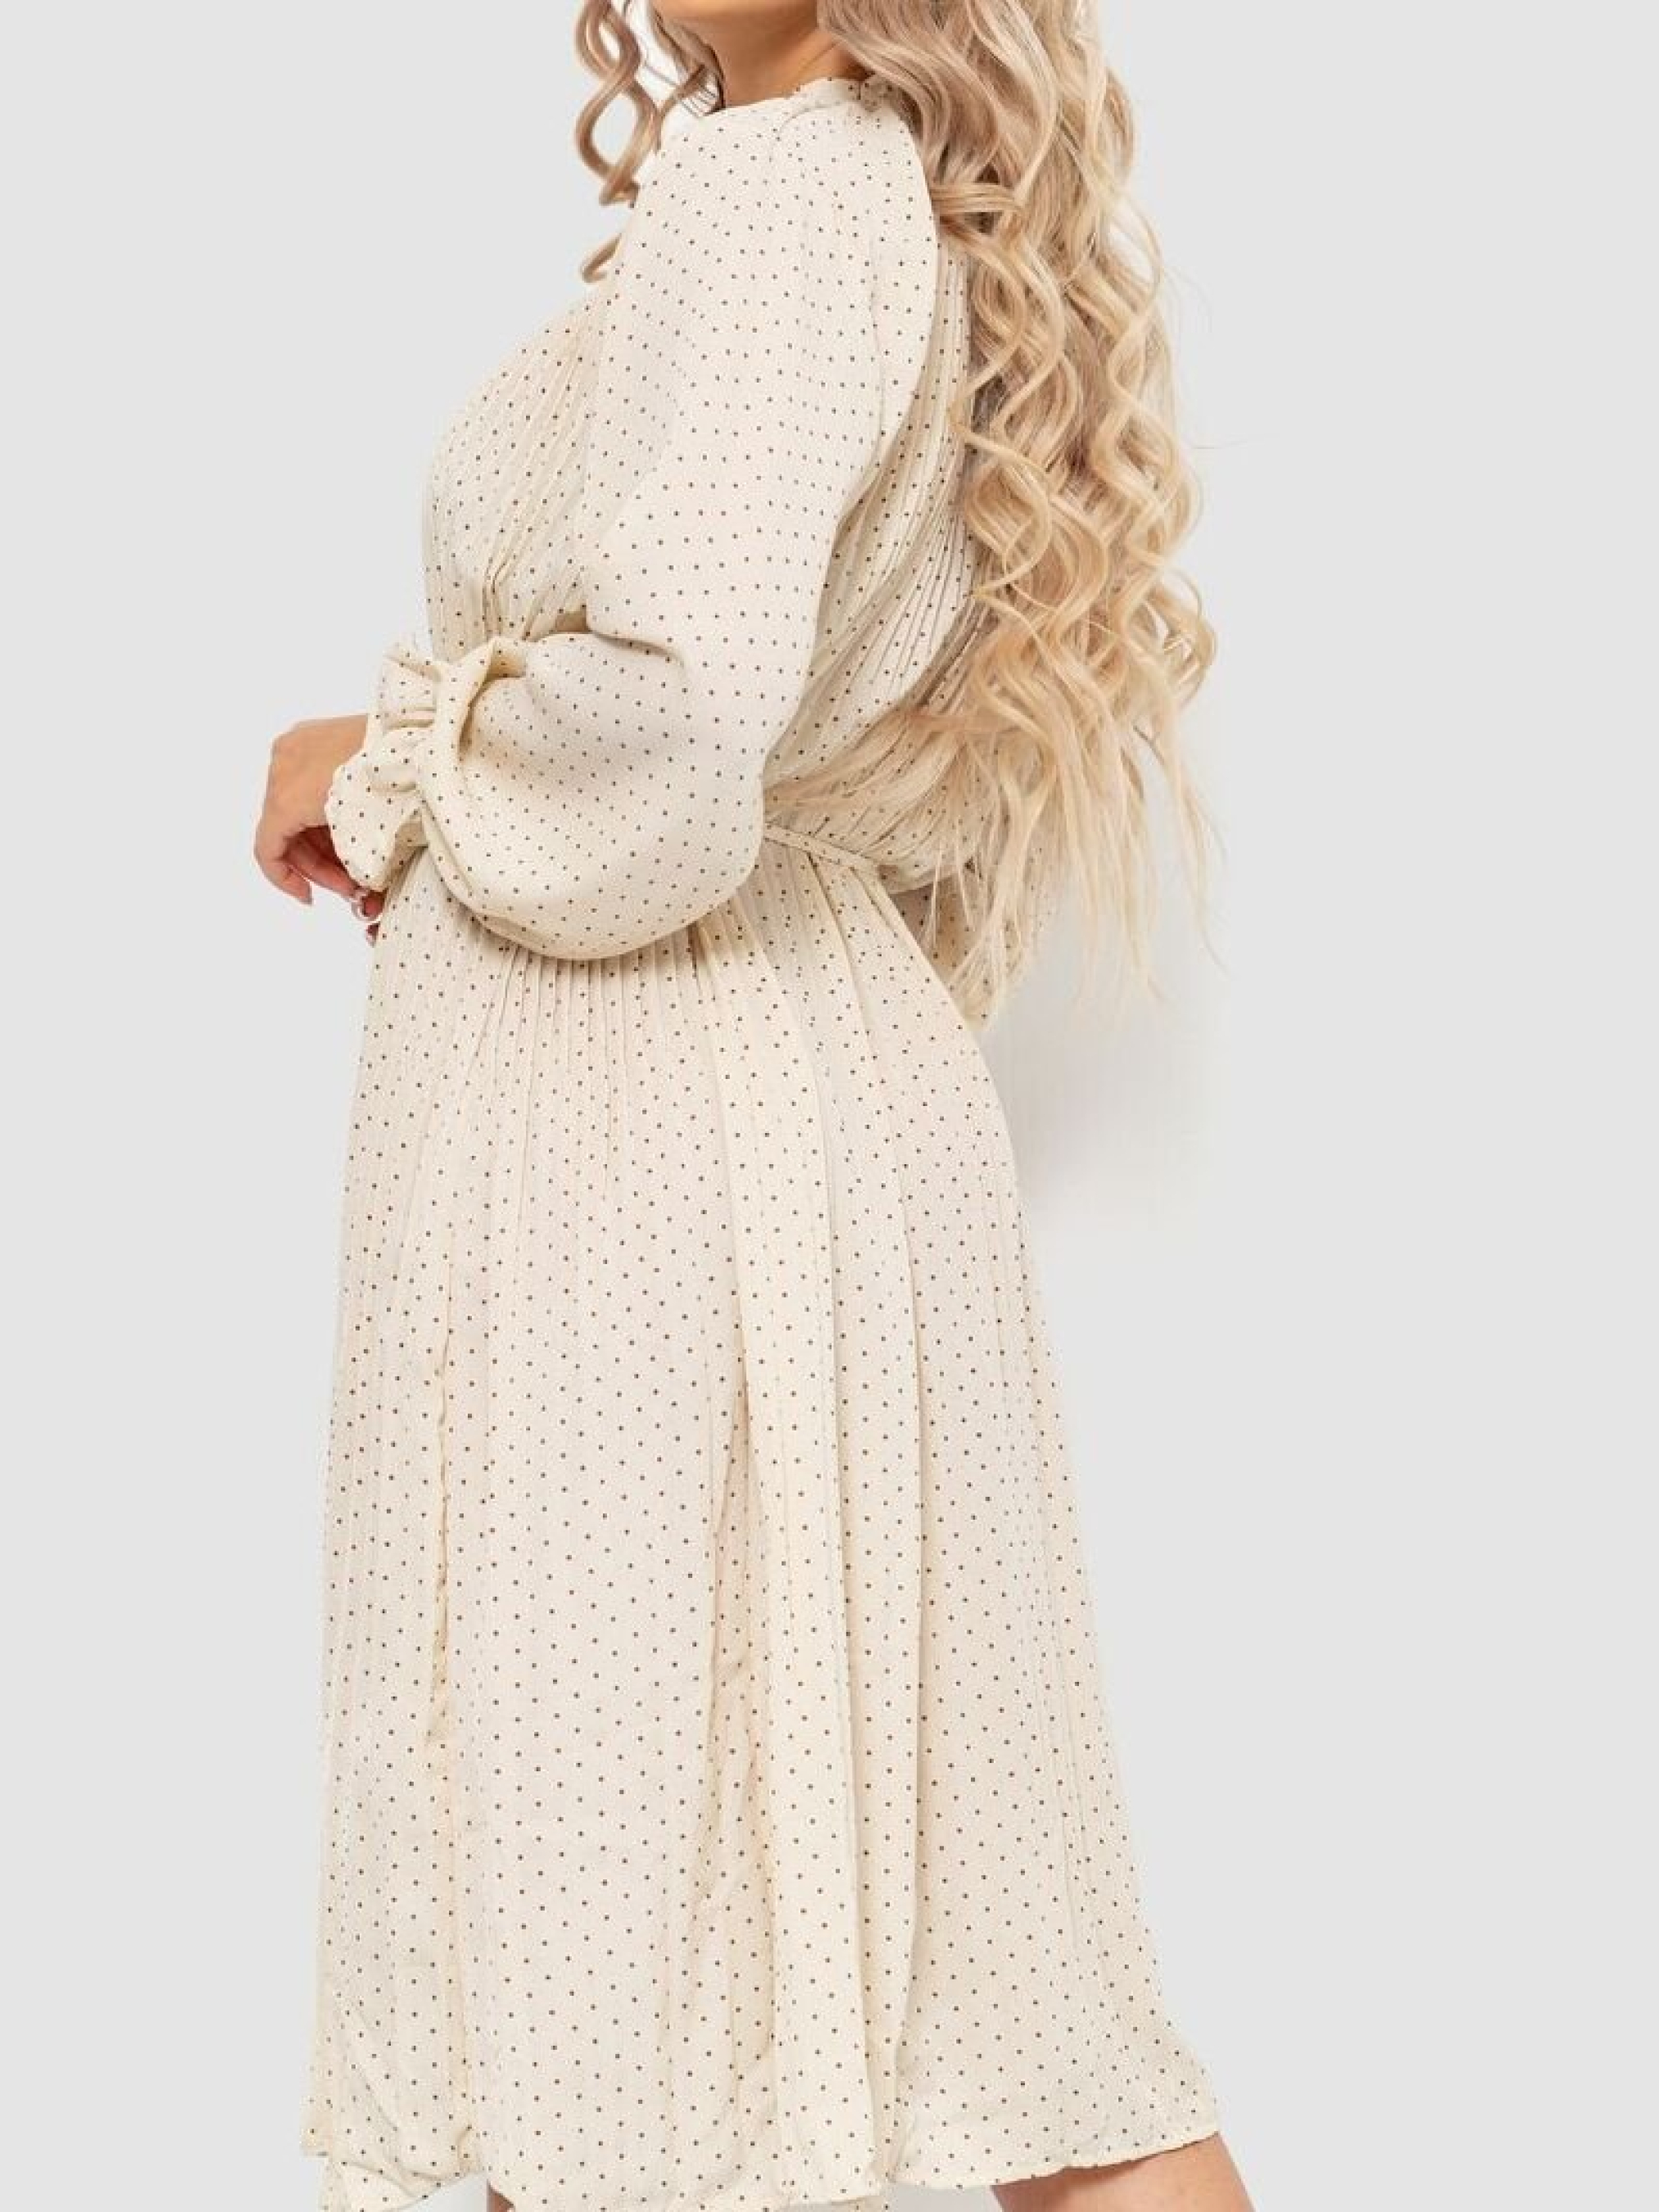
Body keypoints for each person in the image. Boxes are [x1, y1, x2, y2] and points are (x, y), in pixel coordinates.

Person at [256, 7, 1252, 2210]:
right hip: (782, 1102)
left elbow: (674, 727)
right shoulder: (867, 191)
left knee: (591, 1963)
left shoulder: (774, 198)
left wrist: (393, 760)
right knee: (1013, 1992)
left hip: (642, 1141)